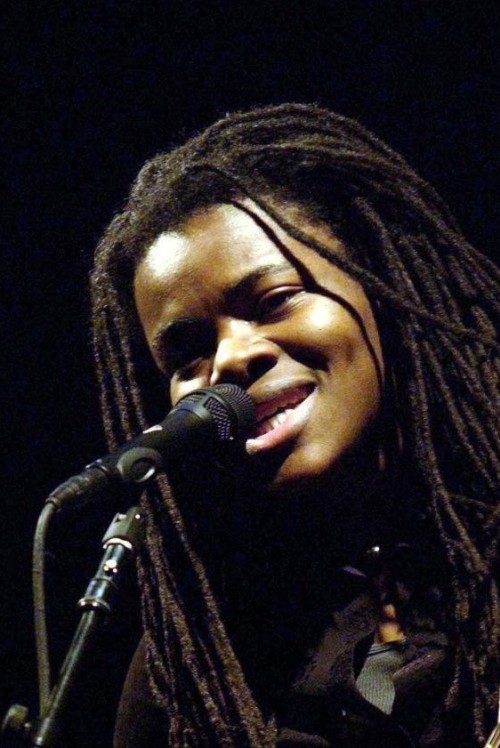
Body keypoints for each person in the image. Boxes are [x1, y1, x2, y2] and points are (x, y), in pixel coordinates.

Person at [90, 104, 499, 747]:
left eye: (274, 301)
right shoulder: (192, 663)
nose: (231, 358)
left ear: (380, 288)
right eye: (187, 354)